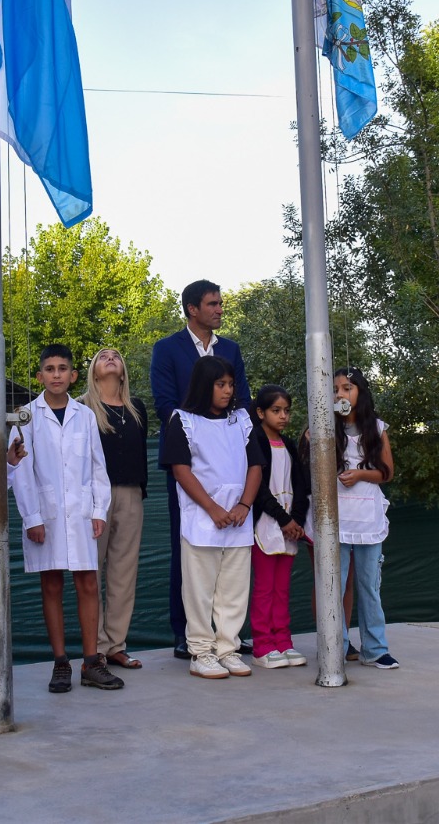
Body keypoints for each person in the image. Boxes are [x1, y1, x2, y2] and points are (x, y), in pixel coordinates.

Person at [10, 344, 123, 693]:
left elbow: (98, 467)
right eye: (50, 369)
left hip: (81, 514)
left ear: (73, 375)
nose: (56, 374)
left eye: (63, 369)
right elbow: (21, 471)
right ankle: (61, 662)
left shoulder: (85, 415)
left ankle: (91, 662)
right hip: (46, 514)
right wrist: (32, 517)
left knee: (88, 583)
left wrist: (99, 510)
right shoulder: (25, 417)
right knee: (51, 584)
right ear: (39, 376)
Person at [149, 279, 252, 658]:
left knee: (234, 553)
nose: (220, 309)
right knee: (189, 546)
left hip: (231, 462)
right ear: (192, 309)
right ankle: (187, 635)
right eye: (213, 304)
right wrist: (199, 431)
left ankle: (228, 637)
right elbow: (164, 403)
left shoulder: (231, 349)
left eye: (220, 303)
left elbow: (243, 400)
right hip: (188, 460)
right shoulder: (166, 348)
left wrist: (226, 434)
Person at [160, 355, 261, 679]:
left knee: (234, 591)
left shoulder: (242, 420)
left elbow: (256, 466)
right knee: (199, 591)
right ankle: (201, 652)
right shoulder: (183, 420)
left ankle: (228, 649)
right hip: (202, 521)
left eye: (231, 384)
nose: (228, 390)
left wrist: (244, 505)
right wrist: (212, 508)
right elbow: (181, 470)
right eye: (221, 384)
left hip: (238, 521)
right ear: (205, 385)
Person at [304, 366, 399, 670]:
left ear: (361, 391)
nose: (340, 395)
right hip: (334, 518)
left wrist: (360, 474)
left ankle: (376, 649)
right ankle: (337, 647)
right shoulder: (322, 426)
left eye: (347, 388)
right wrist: (311, 438)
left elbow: (387, 472)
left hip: (368, 519)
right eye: (335, 390)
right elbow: (308, 464)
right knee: (332, 584)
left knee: (370, 586)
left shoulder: (377, 428)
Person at [77, 347, 149, 670]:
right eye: (103, 356)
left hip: (131, 493)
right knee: (91, 571)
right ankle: (94, 649)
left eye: (116, 356)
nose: (110, 358)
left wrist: (140, 489)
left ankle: (116, 645)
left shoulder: (137, 408)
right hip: (94, 498)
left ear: (123, 371)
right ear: (93, 370)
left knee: (123, 573)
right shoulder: (81, 408)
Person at [247, 385, 310, 669]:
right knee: (264, 588)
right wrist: (284, 520)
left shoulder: (289, 445)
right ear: (261, 412)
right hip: (265, 524)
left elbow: (301, 486)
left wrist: (296, 520)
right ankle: (262, 645)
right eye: (276, 410)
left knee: (282, 588)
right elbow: (258, 488)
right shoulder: (254, 441)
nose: (283, 416)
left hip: (289, 526)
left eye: (286, 410)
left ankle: (283, 641)